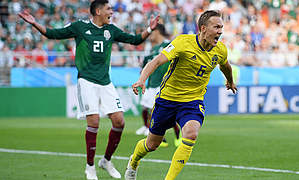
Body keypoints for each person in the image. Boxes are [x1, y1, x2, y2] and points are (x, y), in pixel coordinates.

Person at [18, 1, 159, 180]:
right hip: (86, 81)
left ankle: (106, 161)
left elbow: (135, 40)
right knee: (94, 123)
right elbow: (53, 34)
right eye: (108, 9)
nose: (112, 11)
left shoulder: (111, 30)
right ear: (98, 11)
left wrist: (149, 28)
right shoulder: (80, 27)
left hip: (105, 82)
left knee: (119, 122)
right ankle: (90, 167)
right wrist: (34, 23)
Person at [125, 10, 237, 180]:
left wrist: (230, 80)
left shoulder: (220, 50)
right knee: (152, 144)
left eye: (221, 27)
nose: (220, 31)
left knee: (191, 133)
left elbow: (225, 66)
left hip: (192, 101)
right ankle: (133, 161)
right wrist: (141, 80)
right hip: (167, 100)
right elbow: (155, 61)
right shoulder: (183, 42)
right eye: (216, 27)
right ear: (203, 29)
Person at [136, 24, 181, 147]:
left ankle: (176, 134)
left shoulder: (168, 45)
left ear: (158, 32)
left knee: (160, 112)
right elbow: (148, 64)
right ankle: (158, 136)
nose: (150, 35)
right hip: (151, 85)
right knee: (147, 109)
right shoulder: (153, 49)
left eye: (152, 31)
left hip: (162, 84)